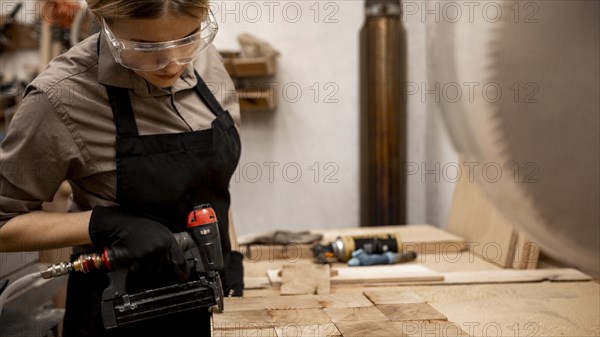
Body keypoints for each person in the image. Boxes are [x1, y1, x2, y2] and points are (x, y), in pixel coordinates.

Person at [0, 0, 242, 335]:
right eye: (145, 47)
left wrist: (233, 251)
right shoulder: (59, 97)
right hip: (121, 314)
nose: (172, 64)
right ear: (104, 23)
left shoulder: (205, 59)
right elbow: (4, 224)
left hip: (209, 306)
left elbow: (211, 180)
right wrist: (103, 225)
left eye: (187, 38)